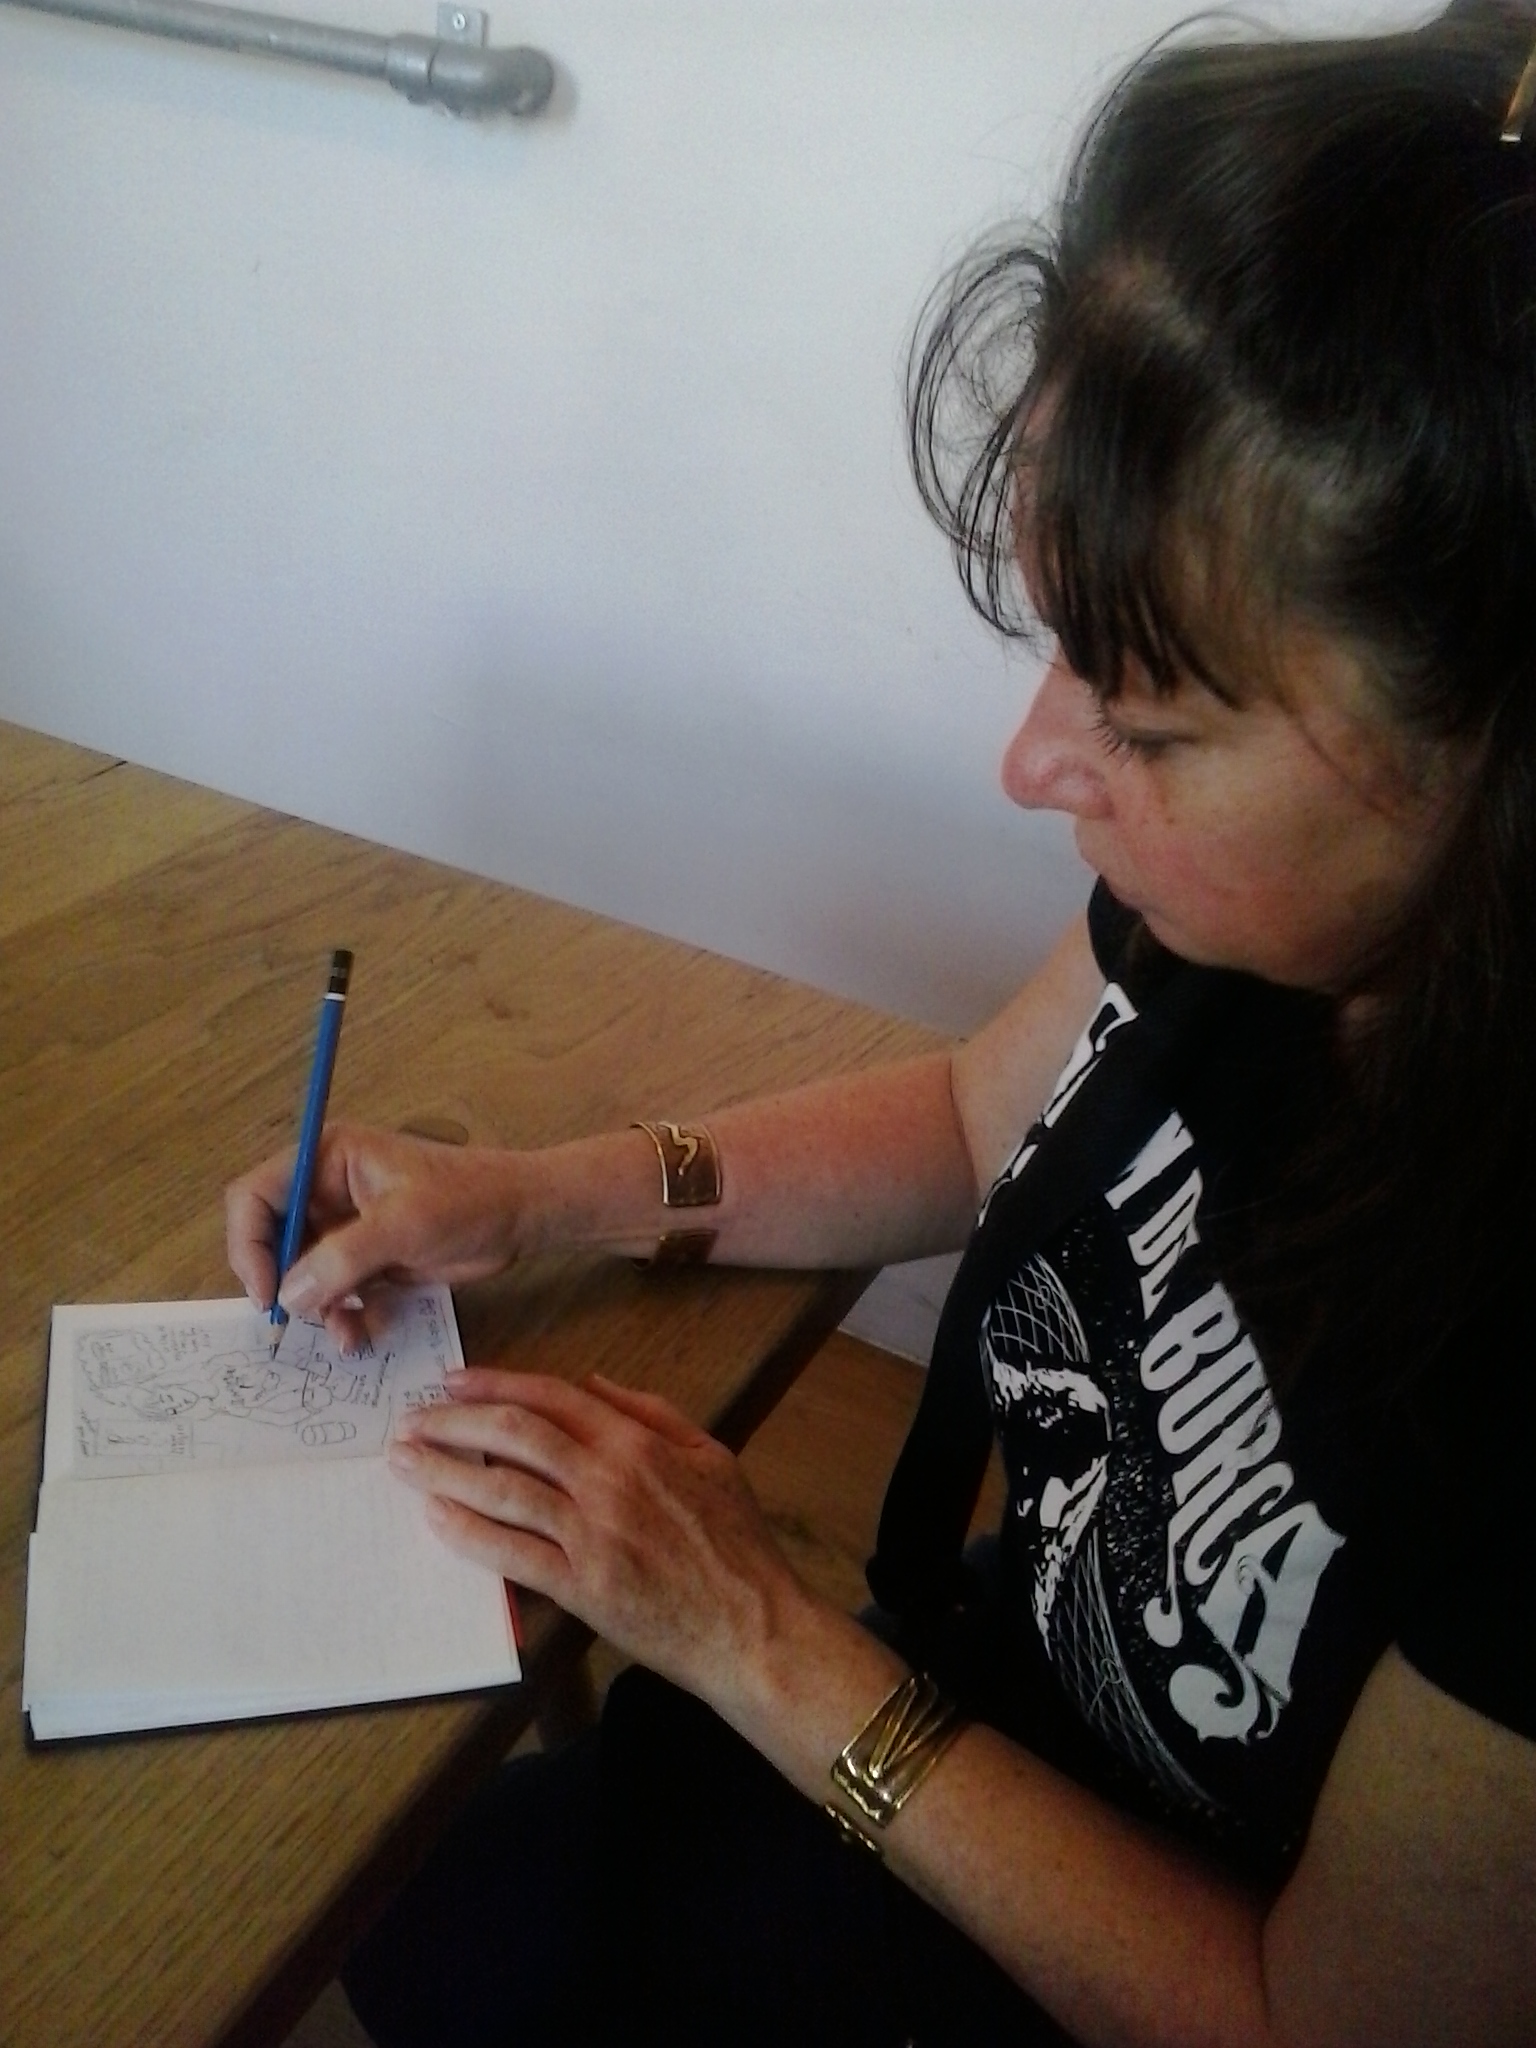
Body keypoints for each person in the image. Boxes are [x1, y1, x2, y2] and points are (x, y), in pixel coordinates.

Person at [226, 6, 1536, 2042]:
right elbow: (970, 1117)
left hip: (1111, 1939)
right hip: (958, 1729)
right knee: (433, 1897)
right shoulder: (1257, 929)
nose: (1032, 766)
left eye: (1151, 726)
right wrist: (540, 1197)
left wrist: (757, 1633)